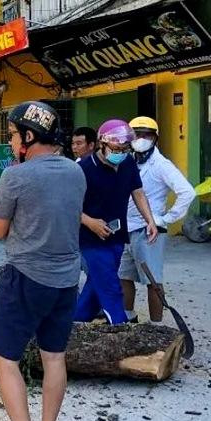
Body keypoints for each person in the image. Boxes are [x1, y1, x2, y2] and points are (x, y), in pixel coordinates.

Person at [0, 101, 86, 421]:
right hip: (67, 279)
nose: (14, 140)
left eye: (16, 134)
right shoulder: (75, 172)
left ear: (29, 137)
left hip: (25, 277)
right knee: (54, 357)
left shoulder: (16, 176)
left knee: (5, 358)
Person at [74, 119, 159, 325]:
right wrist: (90, 222)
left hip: (117, 236)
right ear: (101, 144)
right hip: (90, 239)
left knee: (98, 283)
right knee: (111, 285)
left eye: (124, 148)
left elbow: (137, 192)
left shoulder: (128, 163)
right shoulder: (82, 170)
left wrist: (150, 220)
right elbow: (66, 205)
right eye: (116, 148)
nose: (120, 152)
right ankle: (121, 327)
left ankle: (75, 321)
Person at [119, 117, 196, 323]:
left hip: (148, 230)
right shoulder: (128, 160)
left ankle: (156, 326)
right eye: (136, 135)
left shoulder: (161, 165)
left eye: (146, 135)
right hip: (126, 227)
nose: (141, 139)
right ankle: (129, 319)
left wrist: (166, 218)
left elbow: (187, 192)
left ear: (155, 138)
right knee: (124, 276)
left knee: (152, 281)